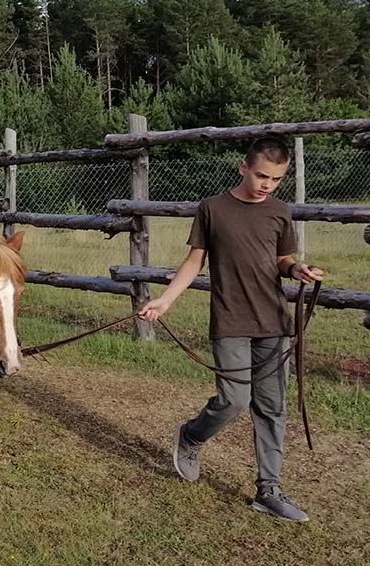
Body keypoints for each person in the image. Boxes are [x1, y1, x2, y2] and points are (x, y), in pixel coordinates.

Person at [139, 137, 325, 522]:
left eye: (276, 179)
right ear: (243, 167)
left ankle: (268, 491)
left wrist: (296, 269)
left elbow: (282, 259)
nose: (267, 185)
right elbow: (194, 261)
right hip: (230, 322)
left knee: (272, 407)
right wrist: (166, 300)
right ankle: (192, 436)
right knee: (235, 400)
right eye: (261, 176)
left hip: (274, 322)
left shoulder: (279, 211)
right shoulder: (213, 209)